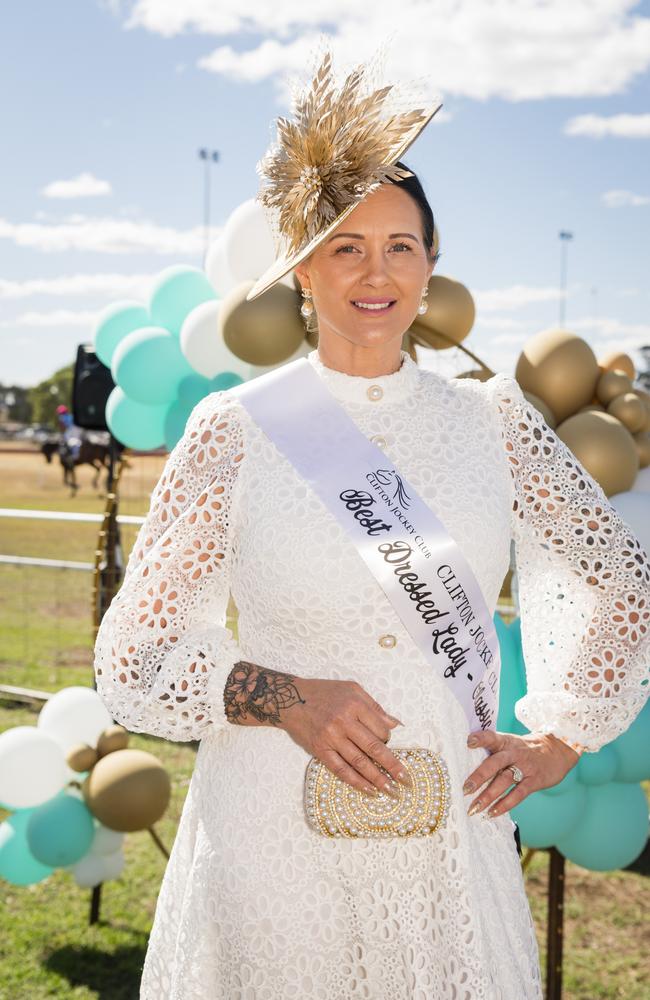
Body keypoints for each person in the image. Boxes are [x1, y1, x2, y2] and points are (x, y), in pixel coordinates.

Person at [93, 43, 650, 1000]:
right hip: (272, 836)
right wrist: (284, 695)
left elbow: (619, 578)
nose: (375, 271)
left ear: (430, 265)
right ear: (303, 270)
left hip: (448, 836)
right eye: (345, 245)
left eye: (401, 245)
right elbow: (133, 658)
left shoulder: (493, 420)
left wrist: (561, 736)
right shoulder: (233, 429)